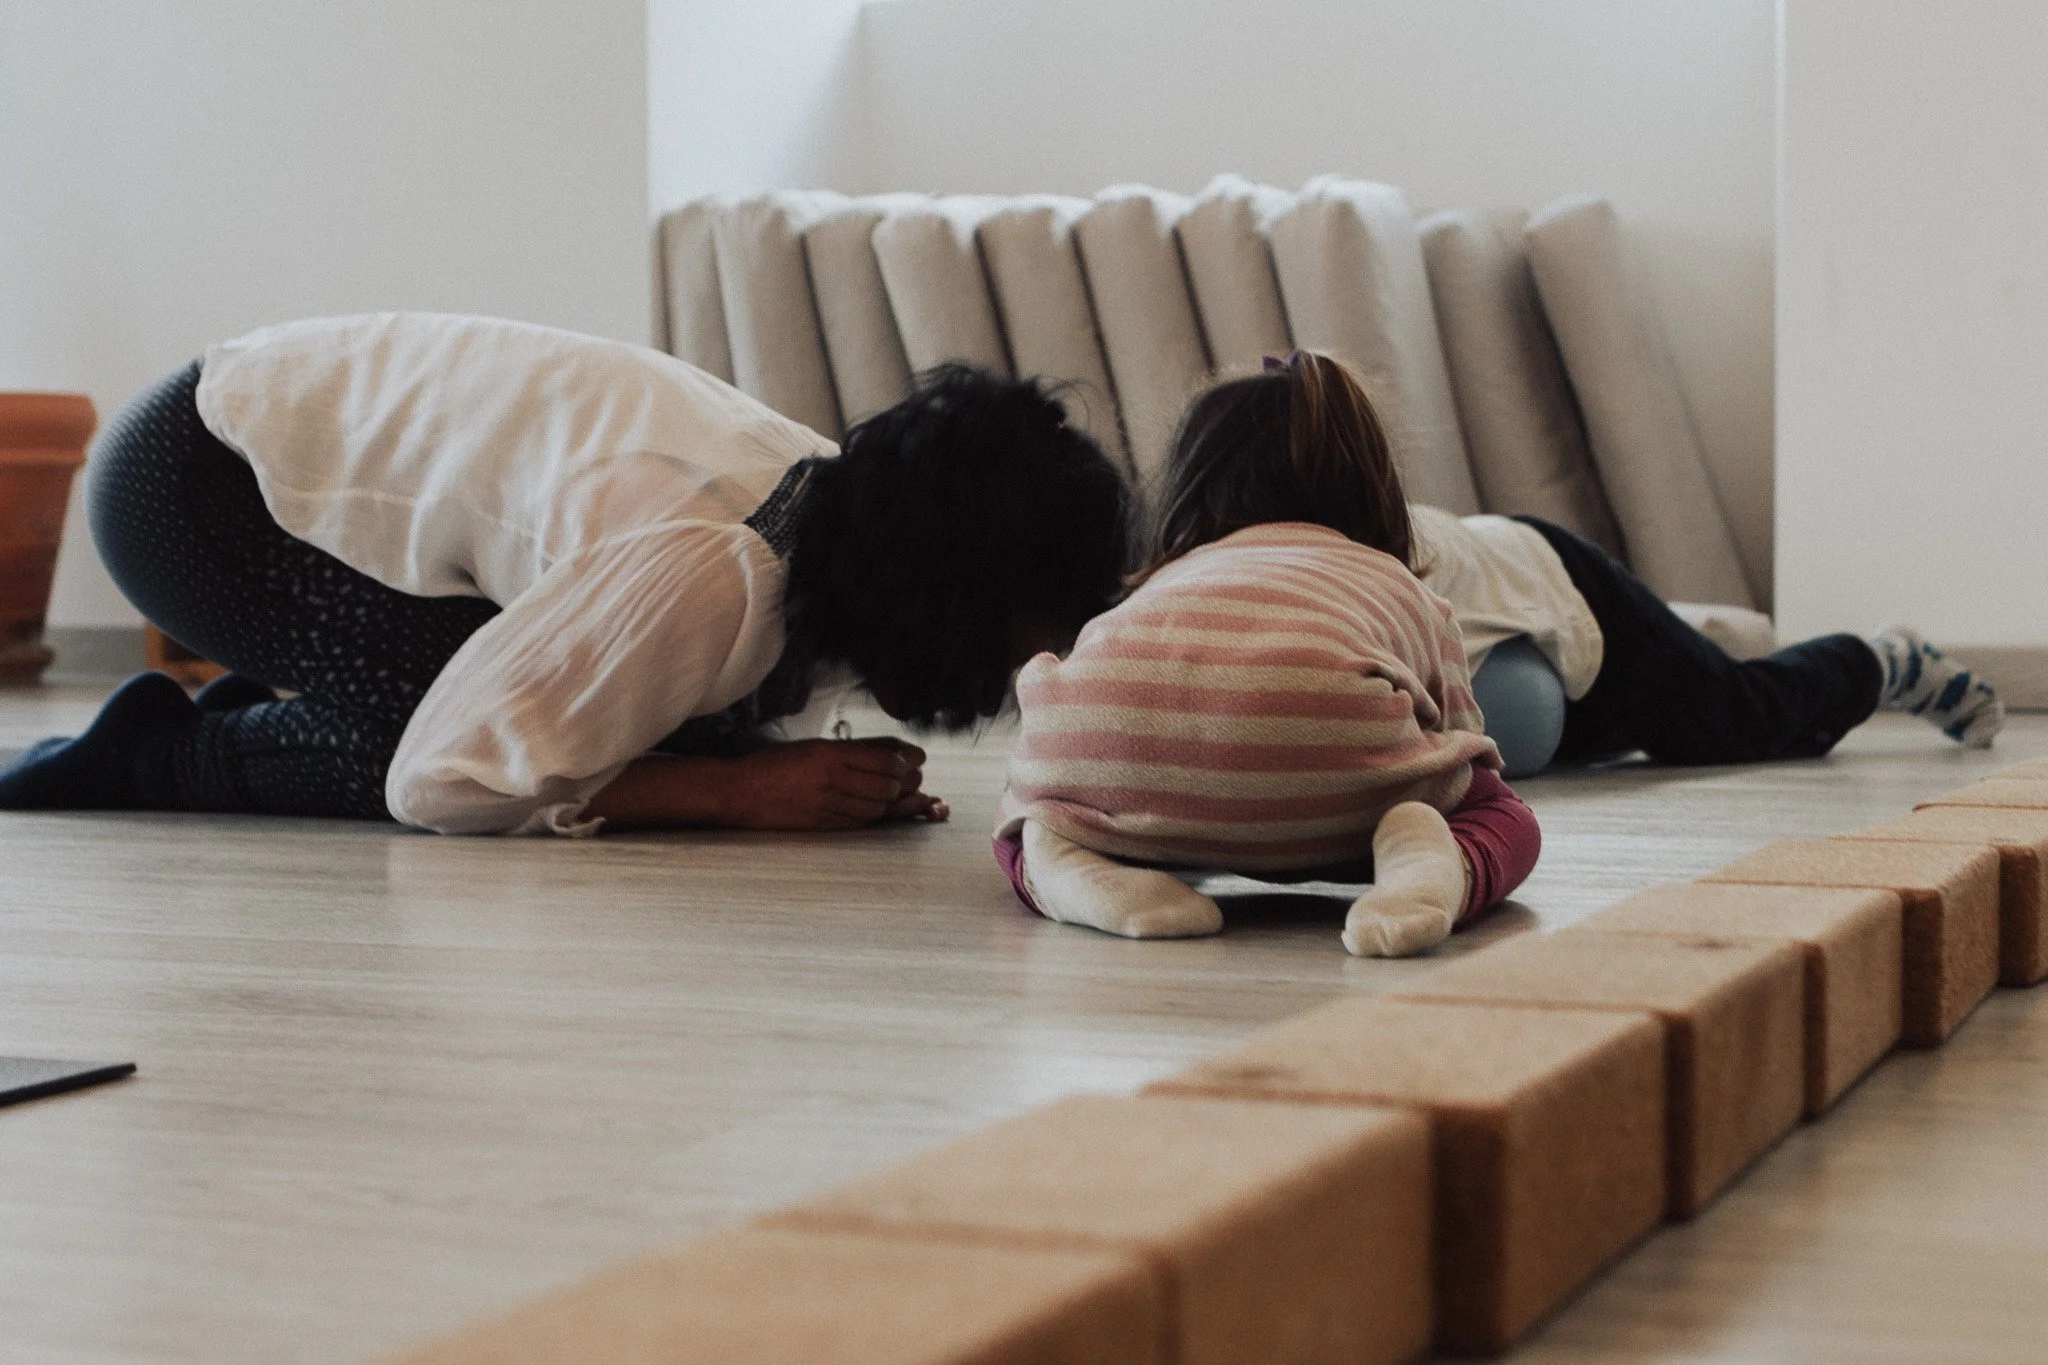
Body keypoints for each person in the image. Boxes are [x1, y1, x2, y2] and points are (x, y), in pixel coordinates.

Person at [0, 313, 1129, 834]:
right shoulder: (714, 568)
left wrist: (804, 780)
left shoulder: (851, 522)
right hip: (195, 481)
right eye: (1038, 628)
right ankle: (148, 752)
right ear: (953, 593)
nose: (1043, 660)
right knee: (431, 740)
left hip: (233, 433)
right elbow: (445, 782)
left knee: (591, 725)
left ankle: (265, 713)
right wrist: (736, 794)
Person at [992, 352, 1541, 958]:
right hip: (1341, 804)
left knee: (1026, 823)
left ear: (1185, 491)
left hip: (1114, 755)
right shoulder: (1397, 585)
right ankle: (1424, 858)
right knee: (1501, 816)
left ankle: (1067, 863)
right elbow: (1467, 742)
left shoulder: (1162, 584)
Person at [1408, 505, 2004, 778]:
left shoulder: (1377, 551)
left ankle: (1887, 662)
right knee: (1646, 727)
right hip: (1513, 614)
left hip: (1557, 582)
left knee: (1733, 718)